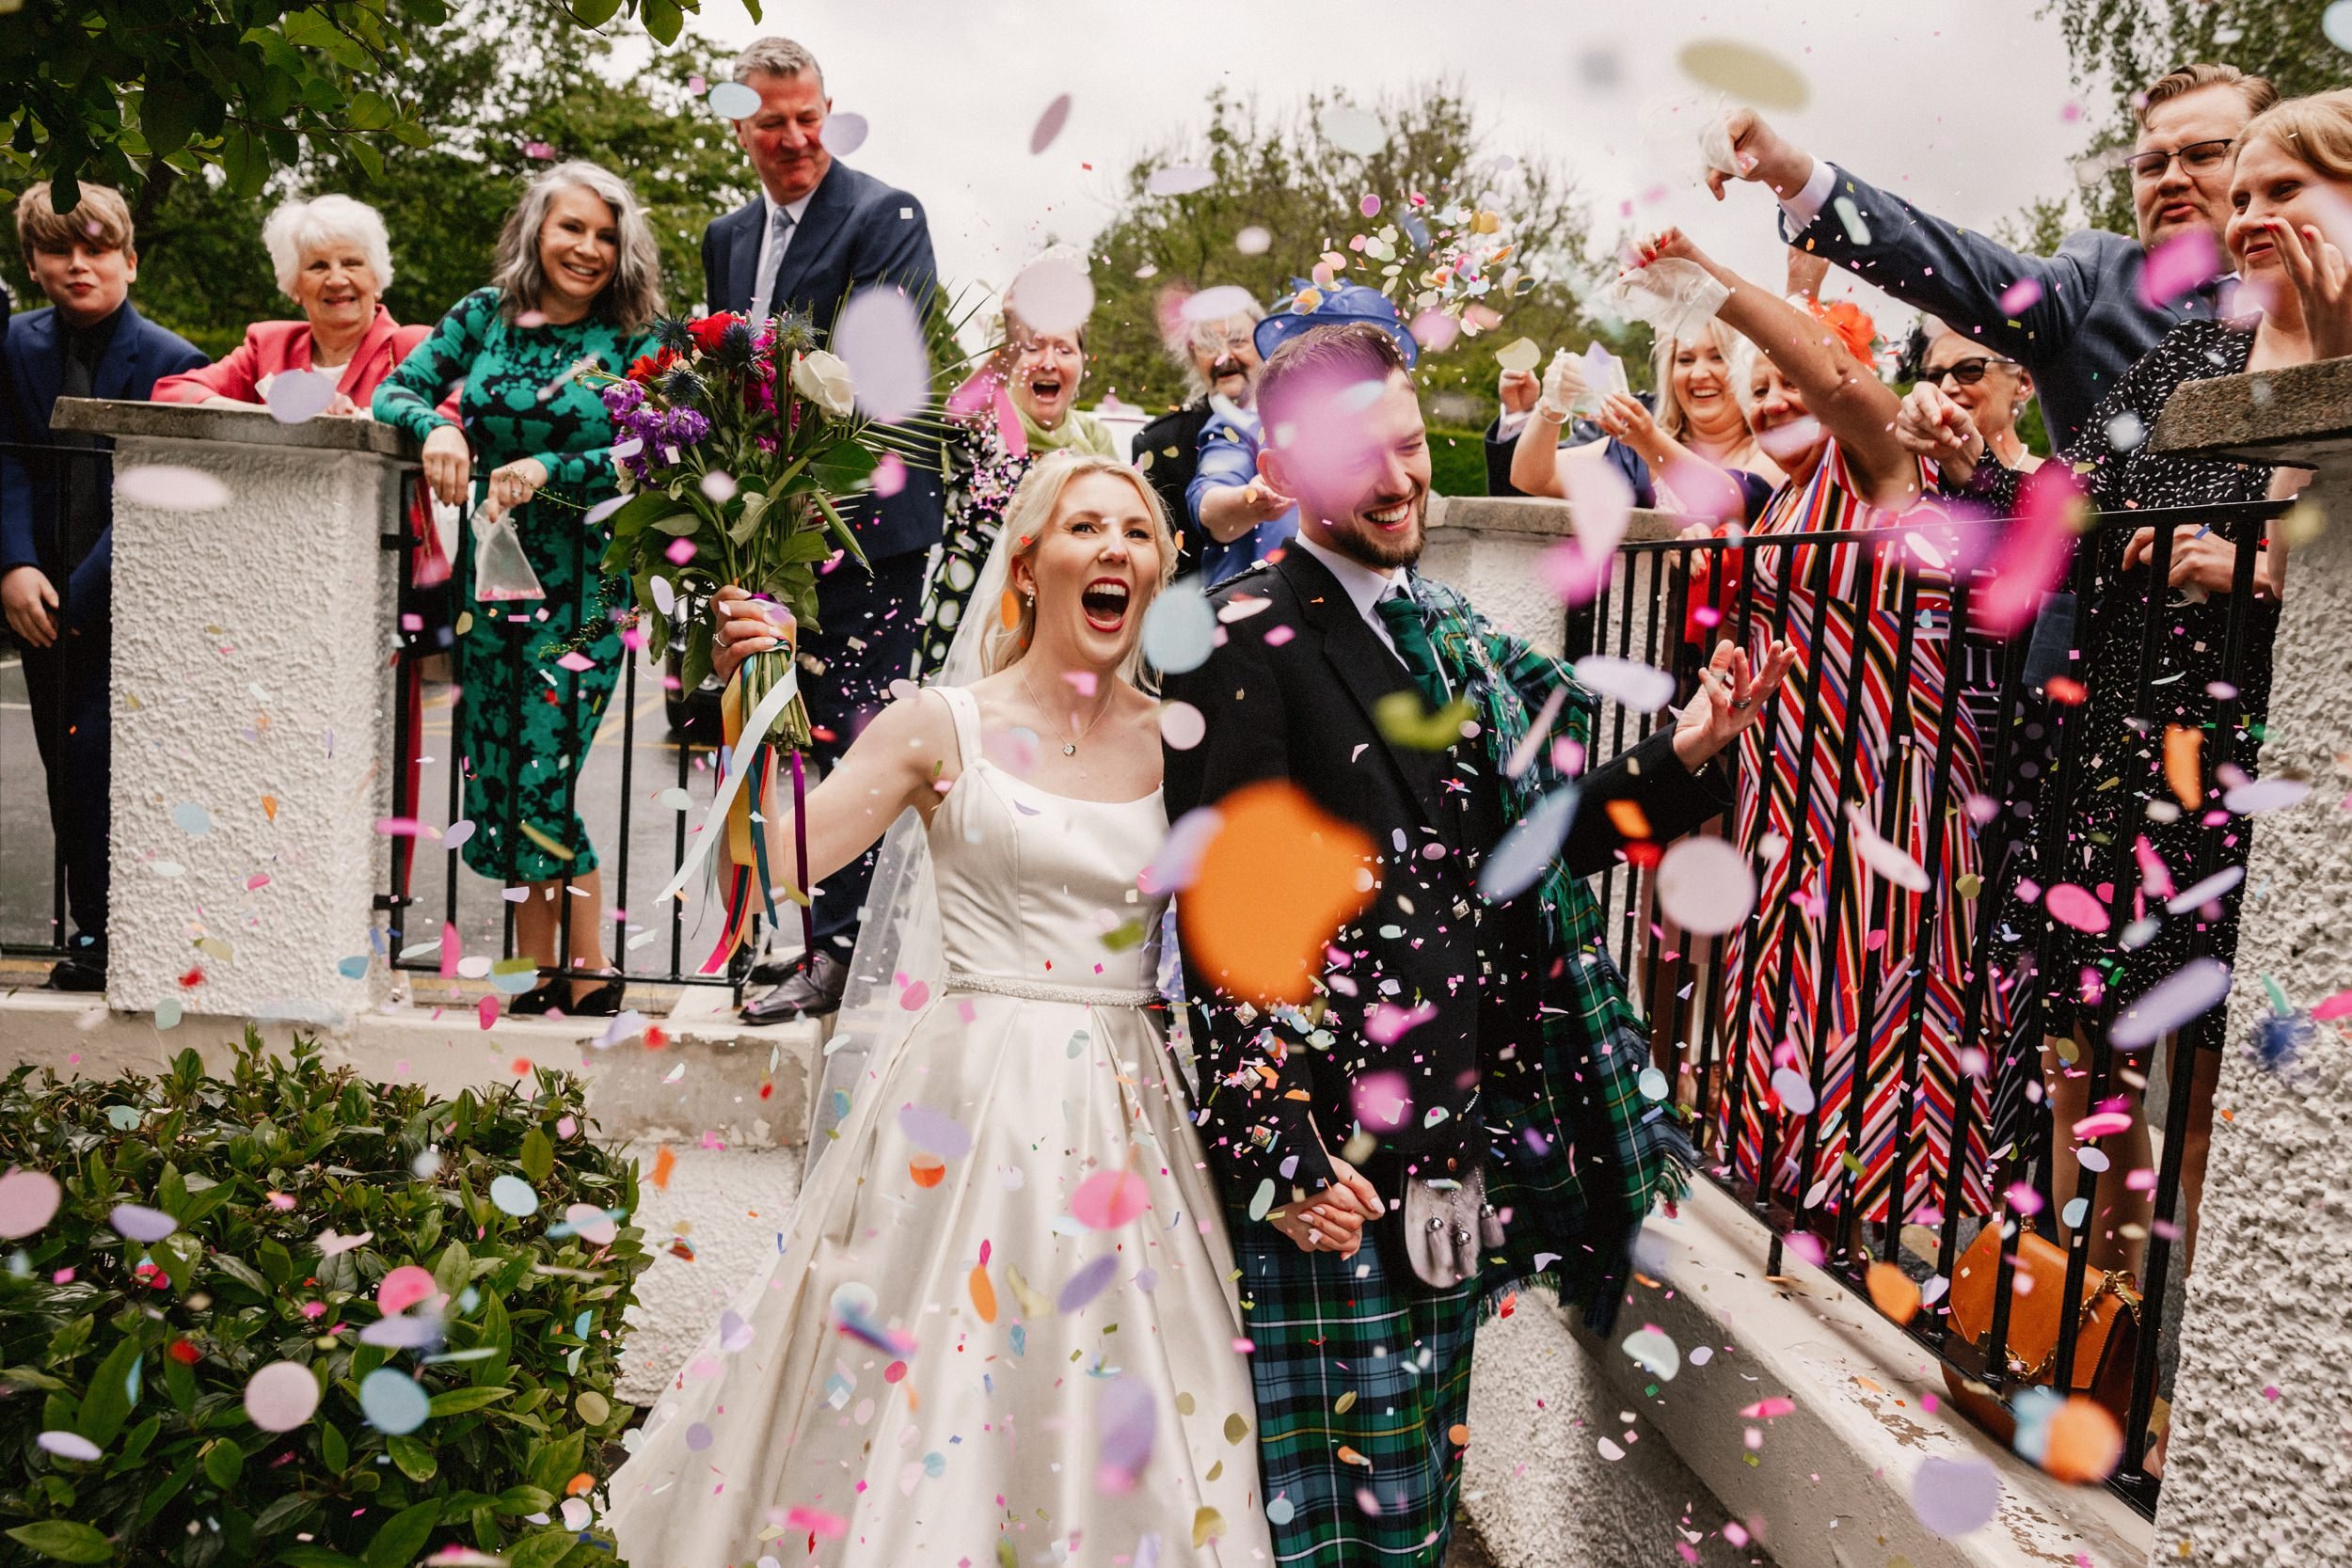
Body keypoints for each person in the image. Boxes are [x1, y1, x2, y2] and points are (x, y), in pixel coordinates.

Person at [1162, 321, 1794, 1567]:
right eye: (1360, 460)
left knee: (1414, 1505)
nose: (1397, 480)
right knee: (1327, 1529)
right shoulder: (1241, 634)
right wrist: (1280, 1150)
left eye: (1407, 445)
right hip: (1330, 1158)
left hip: (1453, 1133)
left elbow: (1539, 833)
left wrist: (1692, 749)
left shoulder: (1439, 627)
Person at [599, 452, 1277, 1566]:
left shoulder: (1183, 739)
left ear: (1159, 572)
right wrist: (752, 706)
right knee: (935, 1373)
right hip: (966, 1100)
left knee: (1120, 1375)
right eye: (1085, 528)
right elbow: (782, 864)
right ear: (1029, 562)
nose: (1115, 549)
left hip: (1127, 1100)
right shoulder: (936, 724)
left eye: (1138, 533)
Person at [1896, 88, 2351, 1280]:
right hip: (2118, 760)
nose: (2245, 214)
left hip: (2254, 781)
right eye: (2237, 193)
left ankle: (2176, 1392)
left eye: (2276, 188)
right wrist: (1966, 473)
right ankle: (2074, 1330)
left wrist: (2265, 566)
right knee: (2087, 1075)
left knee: (2211, 1100)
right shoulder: (2198, 352)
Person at [1637, 227, 2008, 1236]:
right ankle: (1804, 1208)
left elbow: (1838, 380)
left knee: (1883, 996)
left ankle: (1898, 1232)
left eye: (1781, 378)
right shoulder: (1784, 500)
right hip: (1785, 786)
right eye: (1757, 388)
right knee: (1793, 1000)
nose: (1770, 399)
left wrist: (1715, 289)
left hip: (1885, 781)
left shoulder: (1882, 466)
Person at [373, 161, 660, 1017]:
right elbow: (397, 388)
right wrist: (441, 426)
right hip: (492, 579)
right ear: (537, 229)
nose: (588, 247)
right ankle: (538, 971)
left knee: (545, 777)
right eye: (572, 227)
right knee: (496, 775)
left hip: (586, 586)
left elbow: (655, 455)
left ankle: (592, 966)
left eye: (607, 235)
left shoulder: (640, 336)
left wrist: (550, 465)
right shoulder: (482, 315)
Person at [705, 34, 946, 1022]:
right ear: (737, 126)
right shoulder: (724, 238)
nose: (797, 138)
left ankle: (843, 951)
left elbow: (879, 381)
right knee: (775, 733)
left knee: (853, 734)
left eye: (811, 116)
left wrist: (799, 500)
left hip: (865, 527)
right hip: (765, 535)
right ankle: (784, 935)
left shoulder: (885, 213)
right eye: (773, 122)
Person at [1712, 63, 2279, 447]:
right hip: (2111, 620)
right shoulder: (2097, 281)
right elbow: (1950, 263)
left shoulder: (2331, 297)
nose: (2171, 179)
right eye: (2152, 165)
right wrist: (1790, 172)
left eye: (2203, 155)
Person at [0, 182, 205, 991]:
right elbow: (8, 460)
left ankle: (146, 933)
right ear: (32, 263)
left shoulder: (173, 360)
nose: (78, 265)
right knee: (65, 771)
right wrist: (15, 568)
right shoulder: (13, 346)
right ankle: (95, 933)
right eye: (58, 250)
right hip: (35, 598)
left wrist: (83, 596)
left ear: (130, 258)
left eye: (96, 250)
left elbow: (151, 491)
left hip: (128, 604)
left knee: (126, 771)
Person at [914, 287, 1119, 677]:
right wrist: (1013, 339)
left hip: (1055, 634)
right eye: (1033, 347)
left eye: (1064, 349)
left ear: (1082, 363)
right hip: (963, 623)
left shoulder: (1095, 441)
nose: (1048, 361)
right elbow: (957, 413)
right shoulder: (989, 423)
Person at [1187, 281, 1414, 586]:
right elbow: (1210, 501)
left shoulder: (1394, 428)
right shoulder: (1242, 424)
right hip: (1262, 616)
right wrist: (1249, 500)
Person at [151, 195, 426, 413]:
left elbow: (460, 414)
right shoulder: (268, 348)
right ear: (294, 286)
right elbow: (171, 393)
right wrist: (259, 415)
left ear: (376, 278)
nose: (336, 279)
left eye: (351, 263)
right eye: (318, 266)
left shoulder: (412, 349)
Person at [1504, 320, 1781, 518]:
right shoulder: (1632, 452)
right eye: (1685, 360)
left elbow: (1726, 501)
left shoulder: (1774, 450)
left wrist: (1648, 440)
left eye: (1717, 357)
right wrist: (1553, 403)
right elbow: (1532, 477)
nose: (1698, 374)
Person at [1133, 298, 1264, 578]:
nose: (1224, 357)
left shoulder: (1297, 421)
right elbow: (1158, 555)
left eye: (1238, 341)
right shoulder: (1158, 443)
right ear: (1192, 358)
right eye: (1209, 346)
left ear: (1265, 346)